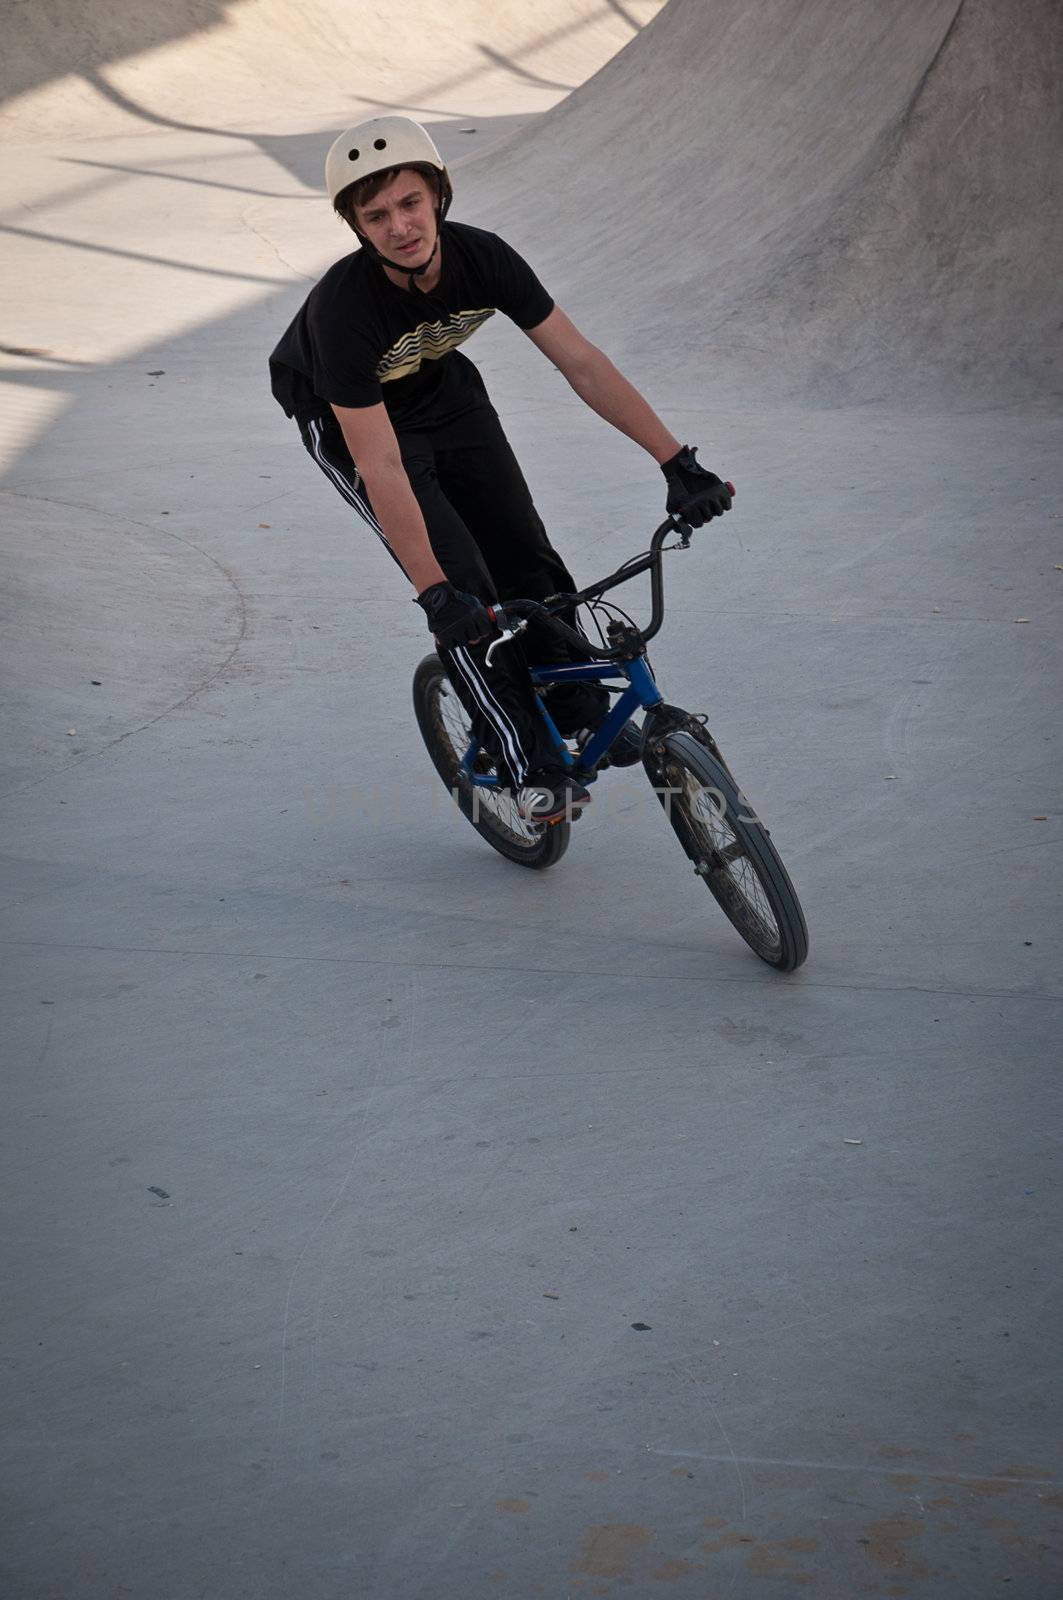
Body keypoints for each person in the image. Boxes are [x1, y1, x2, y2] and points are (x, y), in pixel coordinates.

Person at [269, 116, 731, 822]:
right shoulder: (345, 310)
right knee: (465, 593)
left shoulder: (483, 259)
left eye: (409, 203)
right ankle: (524, 761)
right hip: (350, 423)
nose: (399, 227)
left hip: (443, 391)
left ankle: (576, 704)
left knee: (526, 556)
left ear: (438, 197)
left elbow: (579, 361)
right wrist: (433, 593)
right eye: (376, 215)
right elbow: (381, 460)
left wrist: (675, 460)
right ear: (357, 228)